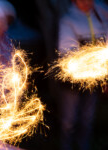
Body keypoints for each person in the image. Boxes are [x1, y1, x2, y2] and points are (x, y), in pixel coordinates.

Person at [58, 0, 108, 150]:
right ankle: (65, 146)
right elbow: (66, 51)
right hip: (72, 80)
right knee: (69, 120)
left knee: (87, 118)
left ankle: (83, 146)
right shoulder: (68, 20)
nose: (86, 2)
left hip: (94, 78)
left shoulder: (101, 16)